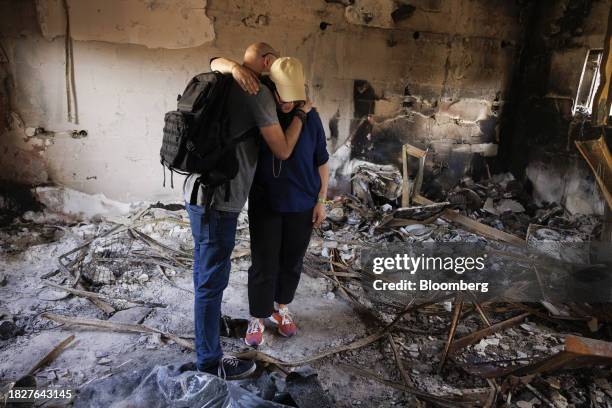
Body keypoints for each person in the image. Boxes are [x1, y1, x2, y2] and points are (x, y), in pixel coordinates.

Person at [184, 43, 312, 380]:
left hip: (195, 194)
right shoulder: (256, 93)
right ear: (269, 62)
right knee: (212, 282)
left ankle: (207, 330)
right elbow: (282, 150)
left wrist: (229, 64)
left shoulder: (219, 76)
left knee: (204, 273)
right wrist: (299, 114)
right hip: (219, 201)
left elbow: (214, 58)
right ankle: (210, 362)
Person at [243, 57, 330, 346]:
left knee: (291, 261)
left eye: (293, 97)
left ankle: (281, 309)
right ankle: (257, 315)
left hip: (302, 203)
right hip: (266, 201)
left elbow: (322, 162)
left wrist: (321, 200)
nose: (286, 102)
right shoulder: (265, 114)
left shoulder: (312, 118)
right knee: (263, 262)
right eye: (281, 95)